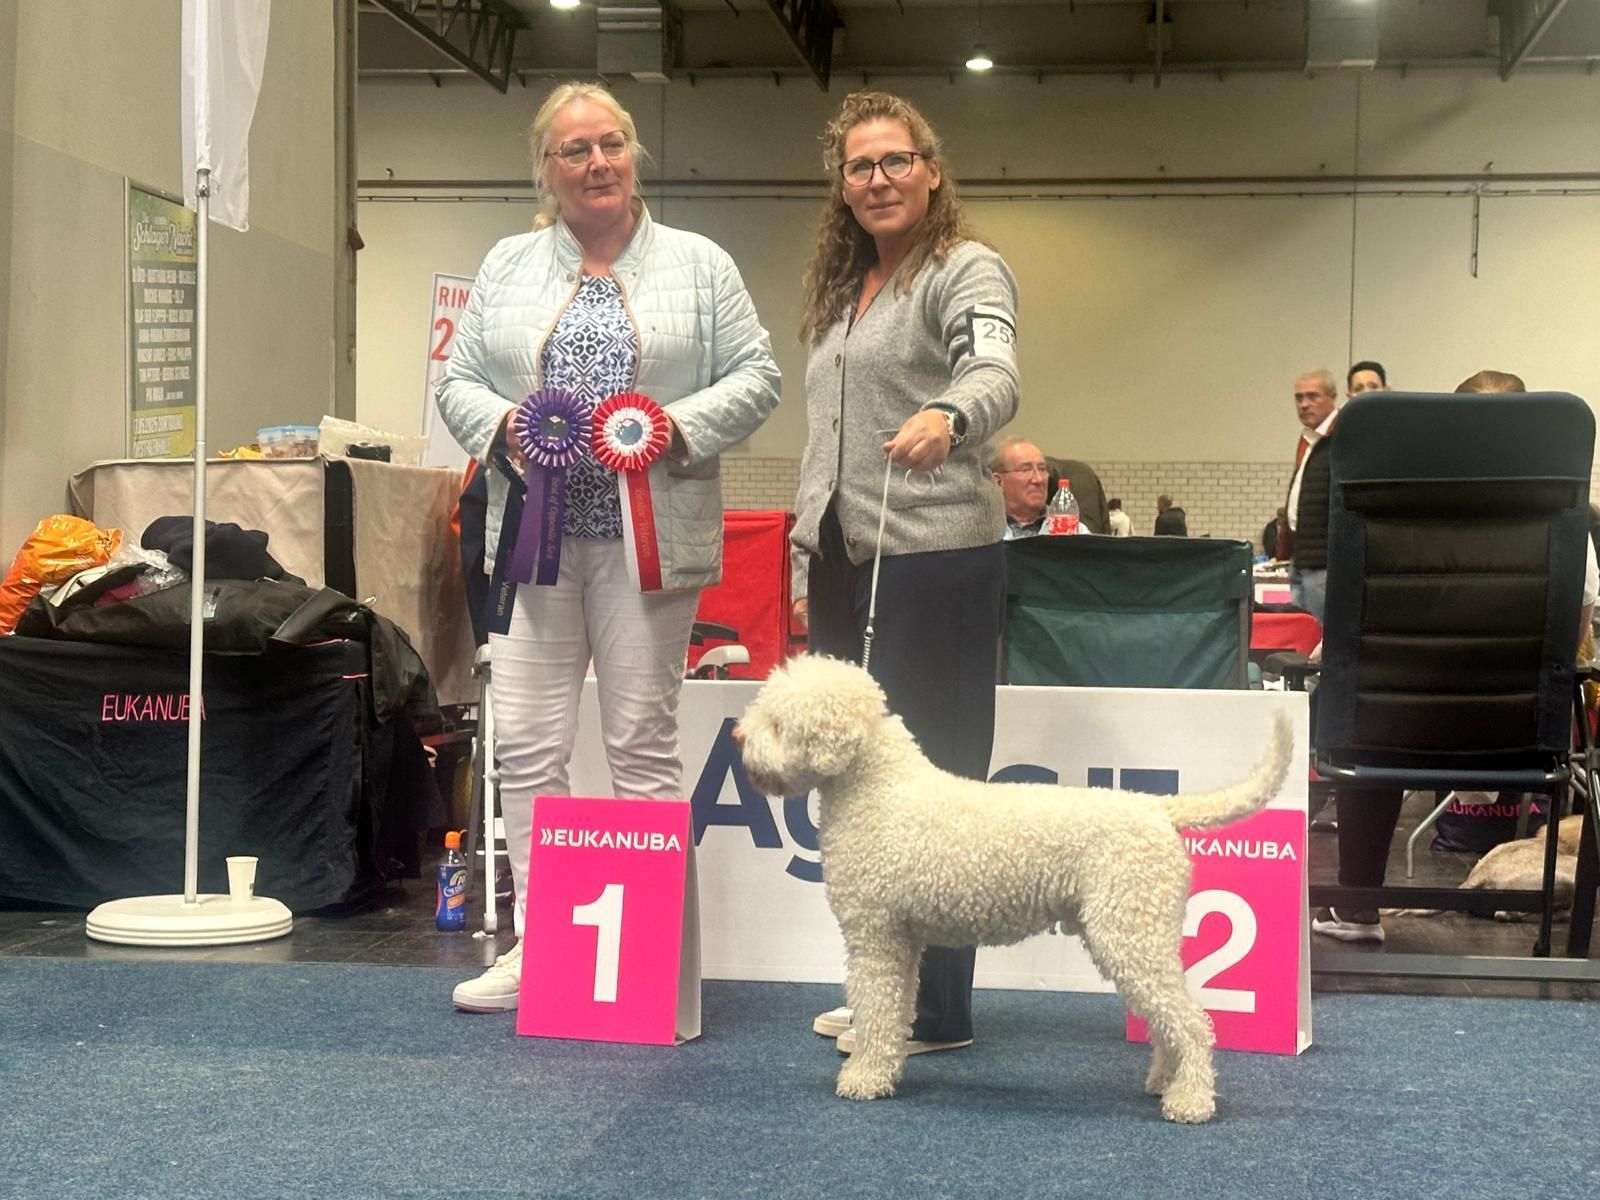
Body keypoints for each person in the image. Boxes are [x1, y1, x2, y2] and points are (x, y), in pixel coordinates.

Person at [437, 82, 781, 1011]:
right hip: (533, 543)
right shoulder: (507, 263)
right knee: (527, 747)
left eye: (613, 144)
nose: (598, 163)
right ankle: (541, 945)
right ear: (546, 170)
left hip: (648, 548)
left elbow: (759, 376)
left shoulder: (701, 264)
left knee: (641, 746)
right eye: (575, 150)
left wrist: (674, 426)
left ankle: (652, 956)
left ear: (634, 154)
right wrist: (507, 426)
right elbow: (458, 381)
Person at [790, 90, 1020, 1054]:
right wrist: (806, 552)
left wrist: (950, 416)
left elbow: (995, 372)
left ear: (930, 169)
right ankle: (886, 994)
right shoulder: (845, 291)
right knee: (862, 794)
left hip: (937, 559)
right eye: (859, 166)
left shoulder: (963, 268)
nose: (877, 179)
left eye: (895, 160)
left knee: (940, 794)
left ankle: (940, 1010)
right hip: (845, 559)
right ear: (841, 185)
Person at [1313, 369, 1598, 943]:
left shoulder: (1385, 502)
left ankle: (1358, 909)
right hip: (1518, 737)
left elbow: (1346, 626)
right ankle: (1563, 935)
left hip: (1389, 729)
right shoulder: (1564, 523)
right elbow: (1574, 638)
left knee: (1361, 716)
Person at [1283, 368, 1338, 621]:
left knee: (1322, 635)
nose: (1304, 404)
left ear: (1332, 397)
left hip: (1324, 564)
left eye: (1313, 396)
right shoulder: (1310, 441)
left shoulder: (1340, 439)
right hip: (1301, 558)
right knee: (1303, 634)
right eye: (1299, 398)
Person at [991, 437, 1049, 539]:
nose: (1039, 479)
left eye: (1042, 469)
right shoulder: (981, 530)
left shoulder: (1072, 529)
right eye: (1025, 470)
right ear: (998, 482)